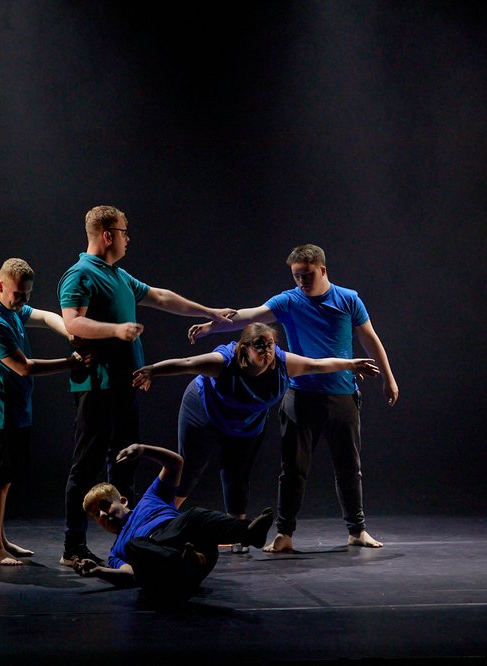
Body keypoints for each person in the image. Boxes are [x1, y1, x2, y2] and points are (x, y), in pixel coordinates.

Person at [188, 244, 399, 552]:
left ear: (323, 270)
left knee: (349, 467)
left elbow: (370, 338)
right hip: (300, 396)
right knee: (293, 469)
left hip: (343, 395)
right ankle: (284, 534)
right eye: (297, 276)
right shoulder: (288, 301)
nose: (301, 281)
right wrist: (211, 326)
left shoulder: (348, 299)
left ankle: (357, 530)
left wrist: (389, 378)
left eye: (307, 275)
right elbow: (249, 316)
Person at [57, 204, 236, 566]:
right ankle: (72, 546)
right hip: (97, 387)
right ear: (108, 235)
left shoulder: (119, 276)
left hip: (125, 387)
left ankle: (132, 539)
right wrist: (116, 330)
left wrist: (210, 313)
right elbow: (73, 322)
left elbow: (161, 296)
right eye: (124, 232)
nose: (128, 238)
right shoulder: (80, 275)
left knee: (125, 464)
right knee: (86, 467)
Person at [132, 322, 380, 553]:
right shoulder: (223, 362)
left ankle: (238, 533)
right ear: (244, 348)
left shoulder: (283, 364)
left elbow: (317, 365)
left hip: (245, 422)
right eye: (258, 345)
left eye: (270, 344)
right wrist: (153, 370)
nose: (266, 350)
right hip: (204, 412)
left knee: (237, 473)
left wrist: (351, 364)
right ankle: (157, 523)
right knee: (191, 467)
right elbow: (186, 363)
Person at [0, 258, 89, 565]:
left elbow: (46, 317)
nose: (24, 301)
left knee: (5, 478)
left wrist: (71, 332)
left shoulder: (10, 309)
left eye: (27, 295)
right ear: (0, 287)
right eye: (19, 295)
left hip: (13, 411)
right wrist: (71, 362)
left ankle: (2, 540)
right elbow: (24, 368)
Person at [70, 443, 274, 601]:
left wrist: (142, 449)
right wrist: (99, 571)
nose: (103, 515)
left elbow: (175, 463)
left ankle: (248, 533)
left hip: (194, 547)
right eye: (97, 515)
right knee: (135, 546)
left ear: (122, 500)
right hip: (173, 574)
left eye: (105, 506)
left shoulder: (150, 499)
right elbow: (130, 574)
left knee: (193, 515)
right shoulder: (116, 551)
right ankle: (183, 562)